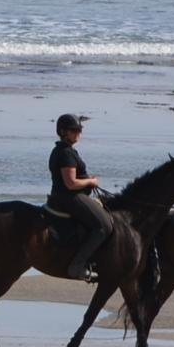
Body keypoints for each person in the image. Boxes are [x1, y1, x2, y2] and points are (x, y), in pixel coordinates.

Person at [45, 113, 110, 280]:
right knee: (103, 226)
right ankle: (77, 266)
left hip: (67, 196)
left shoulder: (66, 150)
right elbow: (71, 183)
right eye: (74, 131)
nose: (78, 134)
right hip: (69, 198)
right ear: (63, 132)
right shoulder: (65, 153)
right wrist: (91, 182)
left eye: (79, 130)